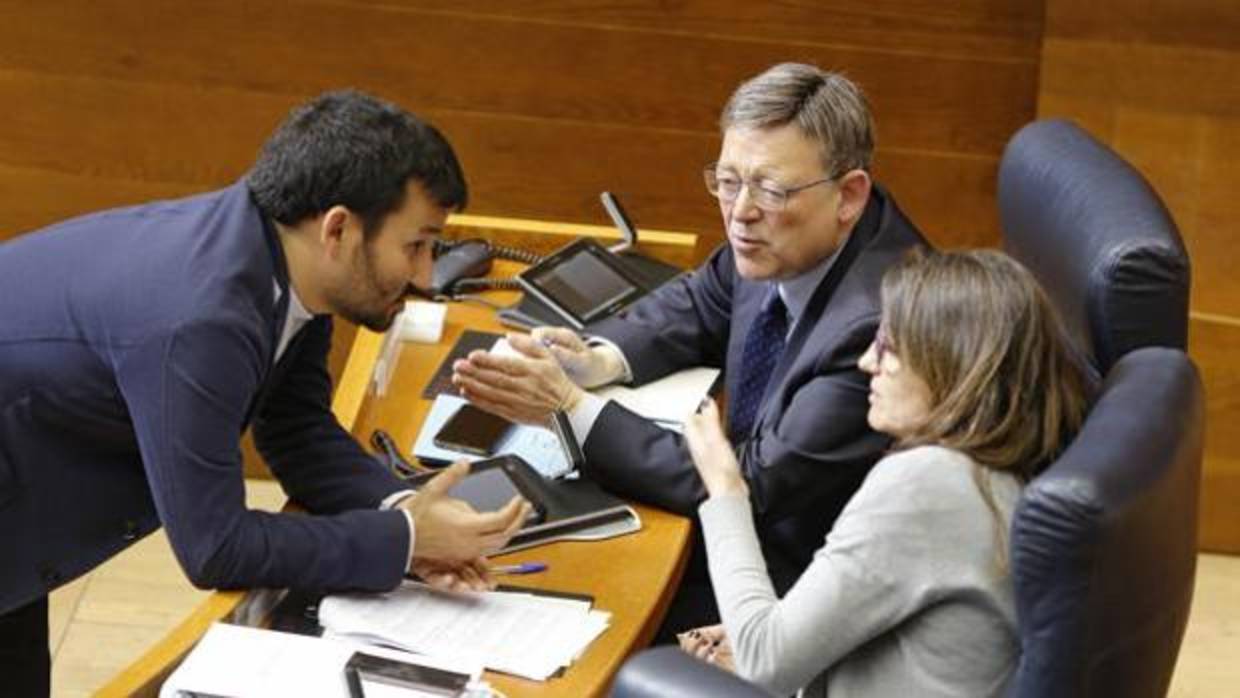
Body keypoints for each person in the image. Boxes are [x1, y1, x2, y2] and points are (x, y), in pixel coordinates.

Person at [0, 90, 531, 696]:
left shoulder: (277, 258)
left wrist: (405, 512)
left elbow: (295, 429)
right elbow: (216, 547)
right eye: (416, 245)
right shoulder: (201, 318)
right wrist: (408, 542)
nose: (427, 276)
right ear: (338, 229)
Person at [451, 63, 928, 629]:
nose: (741, 212)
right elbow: (707, 296)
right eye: (727, 181)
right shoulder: (794, 235)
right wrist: (597, 361)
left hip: (796, 587)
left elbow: (752, 483)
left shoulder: (879, 330)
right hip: (738, 530)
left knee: (555, 594)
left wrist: (570, 407)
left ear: (849, 194)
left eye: (771, 190)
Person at [678, 249, 1091, 697]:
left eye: (888, 347)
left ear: (952, 361)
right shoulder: (1000, 467)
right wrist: (769, 632)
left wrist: (724, 487)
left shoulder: (930, 483)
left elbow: (763, 664)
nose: (866, 364)